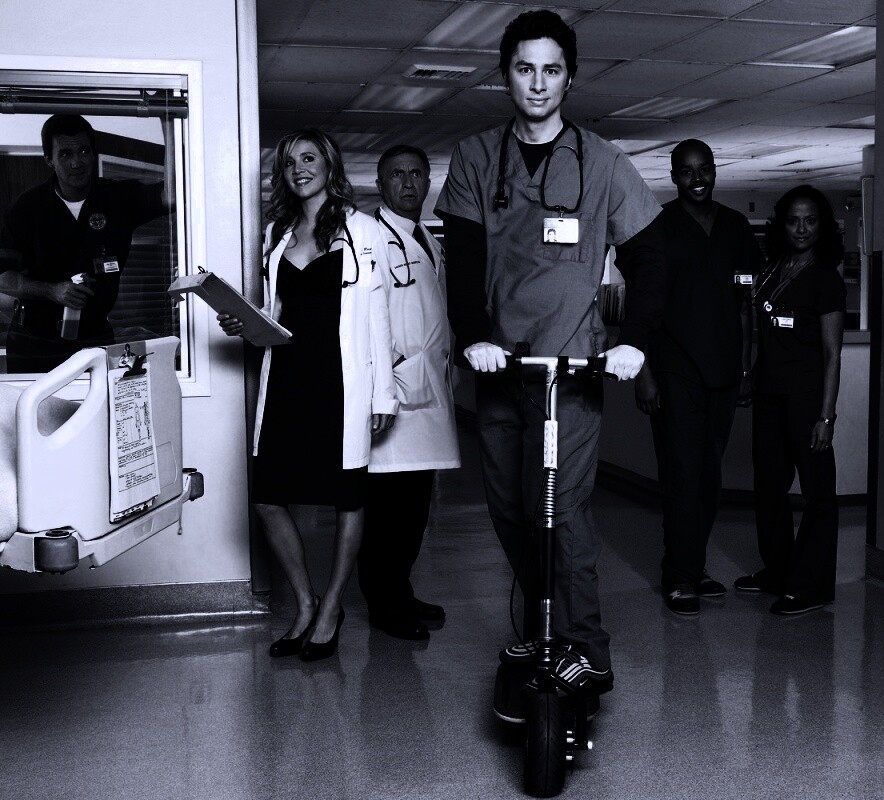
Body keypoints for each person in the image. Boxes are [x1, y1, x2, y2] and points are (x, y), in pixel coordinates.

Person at [435, 9, 665, 702]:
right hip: (500, 367)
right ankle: (546, 626)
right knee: (510, 508)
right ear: (505, 76)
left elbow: (653, 262)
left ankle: (586, 646)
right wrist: (473, 336)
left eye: (552, 70)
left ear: (570, 78)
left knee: (560, 509)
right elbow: (463, 261)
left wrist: (632, 342)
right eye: (524, 68)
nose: (538, 83)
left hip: (571, 369)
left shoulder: (603, 162)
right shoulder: (477, 157)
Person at [218, 128, 397, 662]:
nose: (299, 169)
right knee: (268, 496)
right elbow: (276, 312)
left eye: (309, 158)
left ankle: (333, 606)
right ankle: (305, 602)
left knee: (347, 497)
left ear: (330, 165)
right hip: (287, 379)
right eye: (289, 161)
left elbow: (379, 317)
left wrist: (383, 396)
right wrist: (246, 323)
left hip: (342, 380)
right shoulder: (277, 234)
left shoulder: (363, 230)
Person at [634, 139, 764, 616]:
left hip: (724, 370)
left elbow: (745, 303)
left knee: (709, 475)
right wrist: (644, 374)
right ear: (673, 176)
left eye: (704, 168)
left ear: (714, 170)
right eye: (686, 171)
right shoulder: (657, 226)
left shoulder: (735, 227)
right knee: (682, 473)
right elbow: (641, 310)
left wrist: (746, 367)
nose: (697, 178)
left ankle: (694, 565)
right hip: (675, 368)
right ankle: (678, 574)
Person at [357, 144, 460, 641]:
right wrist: (388, 373)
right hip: (394, 390)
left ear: (428, 181)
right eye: (396, 174)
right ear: (380, 184)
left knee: (415, 508)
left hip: (428, 386)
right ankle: (384, 604)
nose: (408, 183)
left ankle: (401, 590)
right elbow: (362, 315)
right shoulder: (368, 237)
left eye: (416, 174)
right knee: (387, 510)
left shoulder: (427, 239)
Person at [734, 185, 845, 616]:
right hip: (769, 396)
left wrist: (826, 416)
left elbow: (833, 354)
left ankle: (813, 585)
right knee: (769, 488)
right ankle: (778, 571)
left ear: (822, 226)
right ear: (781, 224)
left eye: (810, 221)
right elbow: (753, 321)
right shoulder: (771, 270)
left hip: (806, 400)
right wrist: (748, 374)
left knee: (818, 493)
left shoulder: (825, 278)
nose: (801, 229)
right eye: (793, 220)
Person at [0, 114, 173, 373]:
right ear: (49, 160)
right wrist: (52, 291)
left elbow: (172, 196)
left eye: (84, 151)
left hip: (94, 338)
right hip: (34, 343)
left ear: (94, 154)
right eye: (65, 154)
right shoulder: (26, 208)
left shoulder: (117, 198)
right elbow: (1, 280)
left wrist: (168, 121)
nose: (76, 163)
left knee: (101, 399)